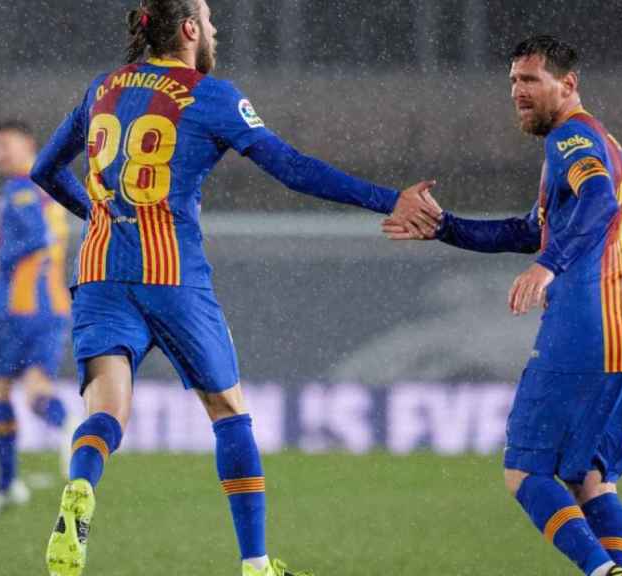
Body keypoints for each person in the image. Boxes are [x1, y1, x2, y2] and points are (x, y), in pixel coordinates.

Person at [30, 1, 436, 575]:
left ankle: (80, 489)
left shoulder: (103, 88)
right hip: (172, 276)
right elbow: (292, 168)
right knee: (229, 412)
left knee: (106, 412)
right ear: (190, 29)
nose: (215, 28)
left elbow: (45, 169)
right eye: (210, 17)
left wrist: (99, 216)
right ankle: (255, 564)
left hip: (98, 272)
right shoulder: (210, 95)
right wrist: (386, 197)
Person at [385, 36, 622, 576]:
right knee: (591, 483)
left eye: (531, 80)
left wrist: (548, 265)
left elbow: (598, 202)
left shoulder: (571, 138)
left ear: (568, 85)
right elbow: (530, 229)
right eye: (513, 80)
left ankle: (601, 573)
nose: (517, 91)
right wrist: (446, 227)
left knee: (525, 472)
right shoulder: (600, 142)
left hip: (586, 329)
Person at [0, 120, 75, 519]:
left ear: (27, 143)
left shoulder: (20, 187)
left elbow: (34, 238)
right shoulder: (52, 181)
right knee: (36, 390)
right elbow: (41, 235)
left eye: (4, 145)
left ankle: (7, 484)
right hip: (52, 306)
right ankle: (66, 428)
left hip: (15, 308)